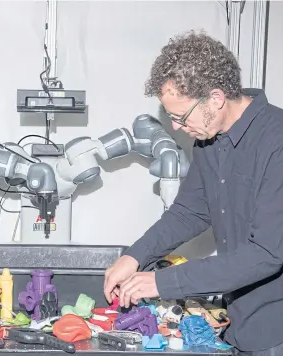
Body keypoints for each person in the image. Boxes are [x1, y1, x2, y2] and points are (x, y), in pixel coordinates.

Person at [103, 30, 283, 356]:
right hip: (238, 321)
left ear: (215, 98)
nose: (176, 127)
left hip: (275, 328)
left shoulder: (277, 141)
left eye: (179, 116)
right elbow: (189, 211)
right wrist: (136, 255)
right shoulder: (208, 141)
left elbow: (267, 253)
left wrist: (161, 283)